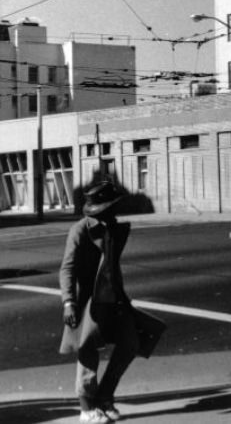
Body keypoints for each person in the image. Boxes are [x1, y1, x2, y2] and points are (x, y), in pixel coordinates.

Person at [59, 181, 140, 424]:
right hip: (90, 299)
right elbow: (67, 268)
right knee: (88, 351)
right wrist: (68, 302)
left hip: (114, 298)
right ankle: (86, 407)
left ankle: (105, 396)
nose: (116, 210)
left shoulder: (114, 227)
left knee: (131, 342)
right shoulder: (80, 230)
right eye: (113, 206)